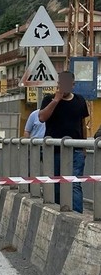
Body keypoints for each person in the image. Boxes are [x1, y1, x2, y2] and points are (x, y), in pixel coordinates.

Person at [38, 71, 88, 213]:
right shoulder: (49, 99)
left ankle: (77, 213)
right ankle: (60, 210)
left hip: (76, 150)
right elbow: (42, 118)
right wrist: (56, 100)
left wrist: (84, 147)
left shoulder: (80, 101)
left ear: (73, 85)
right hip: (54, 152)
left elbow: (83, 124)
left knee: (74, 183)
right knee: (57, 184)